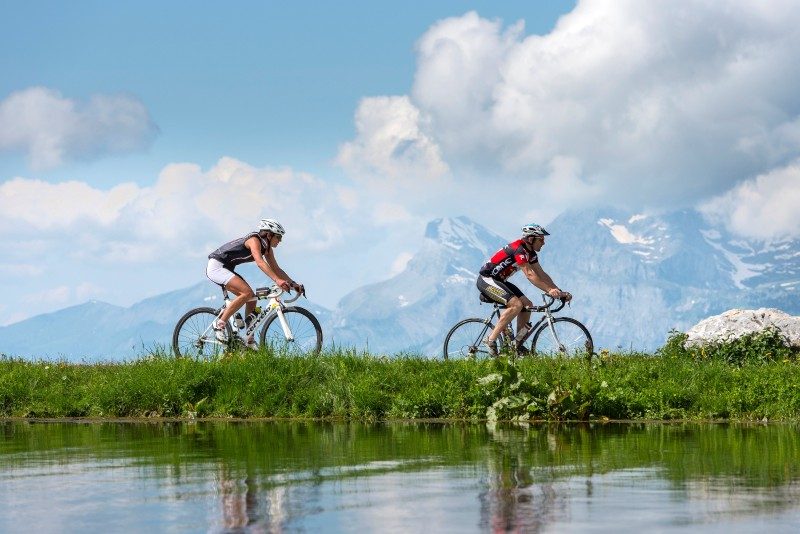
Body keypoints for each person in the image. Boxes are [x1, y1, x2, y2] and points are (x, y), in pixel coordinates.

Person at [477, 223, 572, 356]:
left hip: (499, 281)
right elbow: (530, 274)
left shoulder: (531, 253)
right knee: (516, 305)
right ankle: (490, 340)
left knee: (528, 305)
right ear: (531, 239)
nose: (544, 243)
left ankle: (517, 344)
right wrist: (549, 291)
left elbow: (541, 274)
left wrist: (558, 291)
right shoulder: (518, 250)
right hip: (486, 280)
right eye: (541, 239)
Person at [206, 218, 304, 347]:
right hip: (216, 266)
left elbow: (276, 269)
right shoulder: (254, 240)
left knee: (252, 299)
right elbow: (260, 262)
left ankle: (249, 338)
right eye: (278, 237)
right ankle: (219, 324)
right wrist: (277, 280)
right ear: (269, 235)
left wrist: (293, 284)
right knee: (246, 293)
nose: (280, 240)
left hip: (227, 268)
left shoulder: (267, 249)